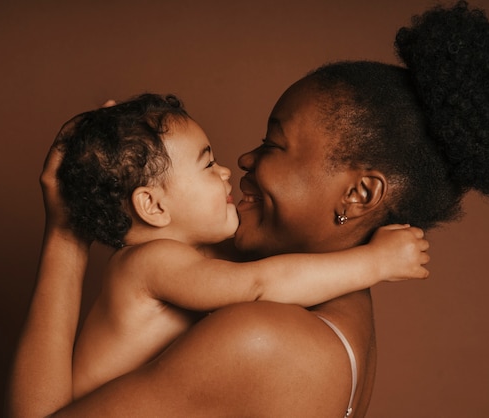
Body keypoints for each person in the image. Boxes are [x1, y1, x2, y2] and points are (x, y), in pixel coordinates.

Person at [7, 2, 489, 417]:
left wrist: (66, 236)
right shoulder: (330, 304)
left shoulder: (263, 340)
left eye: (273, 144)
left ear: (359, 195)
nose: (240, 161)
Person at [53, 94, 429, 398]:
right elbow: (258, 285)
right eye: (208, 164)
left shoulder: (167, 260)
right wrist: (375, 262)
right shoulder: (150, 261)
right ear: (153, 205)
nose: (228, 170)